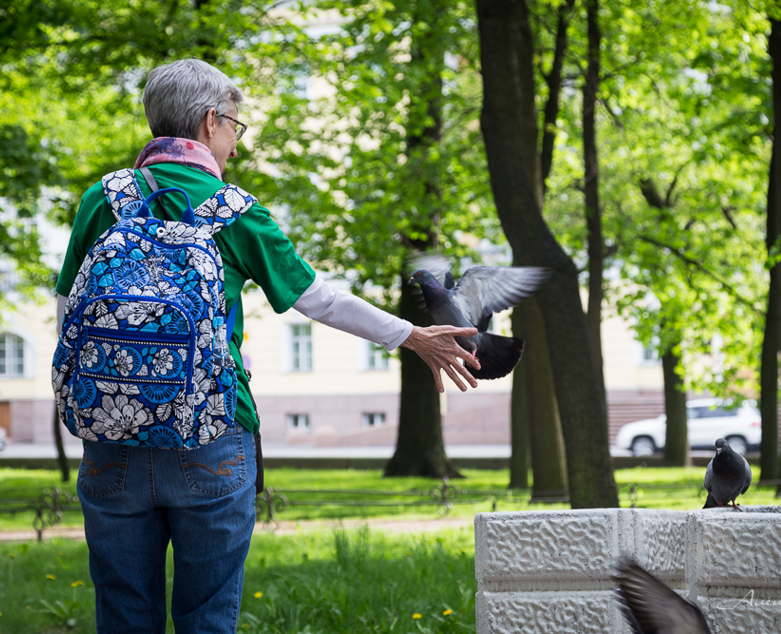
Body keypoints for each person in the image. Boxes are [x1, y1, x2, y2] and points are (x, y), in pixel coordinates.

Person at [54, 58, 480, 634]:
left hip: (110, 436)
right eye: (235, 125)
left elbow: (70, 315)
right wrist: (413, 336)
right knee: (207, 618)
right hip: (211, 431)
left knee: (124, 615)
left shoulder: (102, 200)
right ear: (210, 122)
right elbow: (319, 299)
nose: (235, 142)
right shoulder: (235, 213)